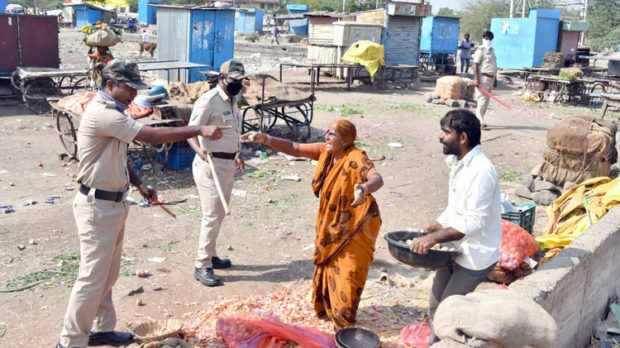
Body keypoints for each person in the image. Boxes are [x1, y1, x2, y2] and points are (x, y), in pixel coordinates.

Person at [56, 60, 230, 348]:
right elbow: (149, 136)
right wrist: (198, 129)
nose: (133, 95)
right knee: (91, 278)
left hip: (113, 203)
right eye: (128, 88)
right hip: (96, 206)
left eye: (136, 89)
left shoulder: (115, 111)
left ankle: (102, 330)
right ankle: (71, 341)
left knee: (107, 276)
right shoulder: (102, 113)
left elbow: (119, 156)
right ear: (110, 85)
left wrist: (139, 185)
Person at [241, 120, 384, 330]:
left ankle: (345, 323)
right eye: (327, 131)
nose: (326, 136)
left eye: (332, 134)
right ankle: (327, 308)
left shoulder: (356, 158)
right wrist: (266, 139)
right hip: (330, 225)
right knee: (328, 265)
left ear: (345, 140)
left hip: (355, 226)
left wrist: (363, 188)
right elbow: (295, 148)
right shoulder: (326, 153)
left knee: (348, 271)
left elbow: (376, 178)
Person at [408, 109, 502, 344]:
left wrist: (434, 238)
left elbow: (474, 221)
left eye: (446, 132)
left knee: (449, 312)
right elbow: (457, 208)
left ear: (463, 138)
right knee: (435, 303)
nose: (441, 137)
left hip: (475, 255)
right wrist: (438, 224)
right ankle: (435, 342)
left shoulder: (481, 171)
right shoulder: (459, 162)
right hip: (457, 248)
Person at [186, 60, 247, 287]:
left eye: (240, 80)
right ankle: (202, 265)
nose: (238, 85)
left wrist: (238, 154)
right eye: (234, 80)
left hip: (228, 164)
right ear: (222, 79)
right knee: (211, 215)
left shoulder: (233, 101)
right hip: (210, 165)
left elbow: (233, 132)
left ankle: (210, 254)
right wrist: (199, 150)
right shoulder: (208, 101)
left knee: (219, 213)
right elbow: (191, 130)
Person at [471, 31, 497, 130]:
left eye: (490, 39)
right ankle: (479, 122)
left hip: (491, 78)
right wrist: (476, 79)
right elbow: (475, 65)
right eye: (486, 38)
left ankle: (480, 120)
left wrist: (495, 79)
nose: (488, 41)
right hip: (483, 78)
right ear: (483, 39)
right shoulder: (480, 51)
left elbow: (494, 65)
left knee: (485, 102)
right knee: (482, 100)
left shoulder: (492, 50)